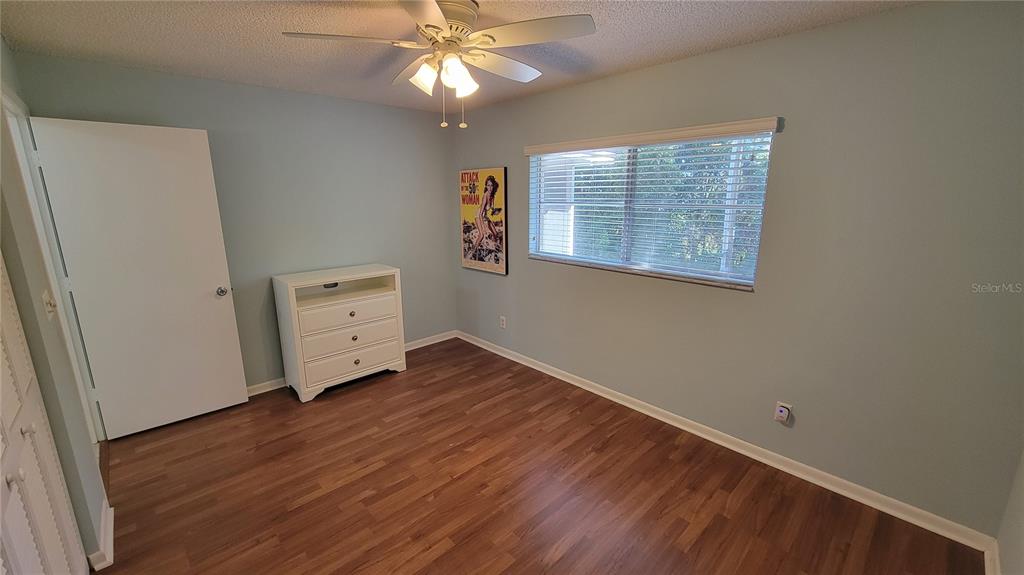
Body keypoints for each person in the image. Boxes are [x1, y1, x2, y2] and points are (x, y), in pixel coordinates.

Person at [471, 175, 501, 253]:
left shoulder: (492, 195)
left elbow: (491, 208)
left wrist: (495, 211)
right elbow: (480, 213)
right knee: (481, 235)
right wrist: (483, 226)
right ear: (486, 186)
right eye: (488, 185)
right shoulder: (485, 196)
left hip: (485, 216)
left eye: (491, 185)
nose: (490, 188)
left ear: (493, 186)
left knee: (495, 233)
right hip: (479, 216)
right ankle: (472, 252)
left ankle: (494, 248)